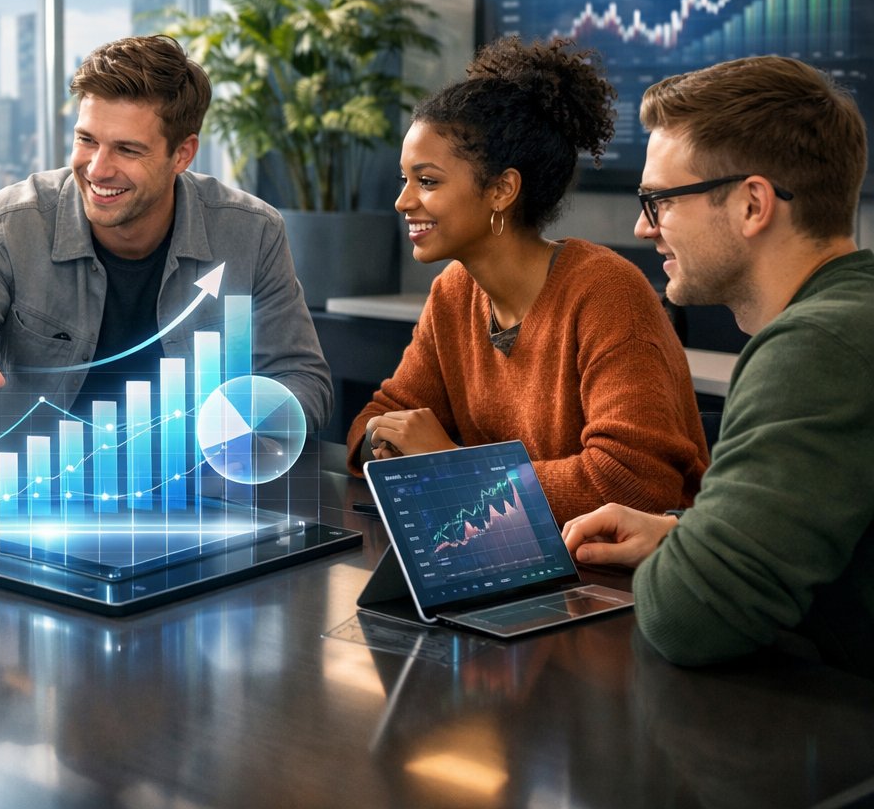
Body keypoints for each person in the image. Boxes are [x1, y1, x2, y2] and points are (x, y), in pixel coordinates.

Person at [562, 55, 874, 678]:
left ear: (753, 205)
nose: (642, 228)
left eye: (659, 202)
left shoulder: (815, 347)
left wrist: (685, 563)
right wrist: (683, 534)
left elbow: (688, 616)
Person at [0, 33, 331, 440]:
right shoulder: (4, 224)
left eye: (127, 149)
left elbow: (304, 380)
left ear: (182, 153)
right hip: (28, 501)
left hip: (195, 498)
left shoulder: (252, 231)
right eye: (87, 140)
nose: (98, 169)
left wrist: (241, 425)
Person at [348, 36, 709, 524]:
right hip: (512, 560)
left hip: (630, 583)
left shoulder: (606, 291)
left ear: (501, 190)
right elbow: (375, 421)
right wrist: (389, 446)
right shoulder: (454, 294)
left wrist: (452, 468)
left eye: (427, 181)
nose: (403, 201)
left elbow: (633, 482)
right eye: (404, 180)